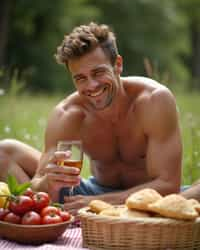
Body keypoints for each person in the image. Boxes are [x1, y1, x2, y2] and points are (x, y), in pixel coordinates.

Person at [0, 22, 183, 215]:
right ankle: (43, 215)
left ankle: (67, 213)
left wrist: (96, 202)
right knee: (3, 152)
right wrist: (49, 182)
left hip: (149, 198)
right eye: (80, 78)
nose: (92, 86)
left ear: (118, 65)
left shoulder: (153, 100)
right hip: (92, 191)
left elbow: (168, 184)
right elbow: (37, 185)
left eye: (98, 73)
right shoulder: (68, 114)